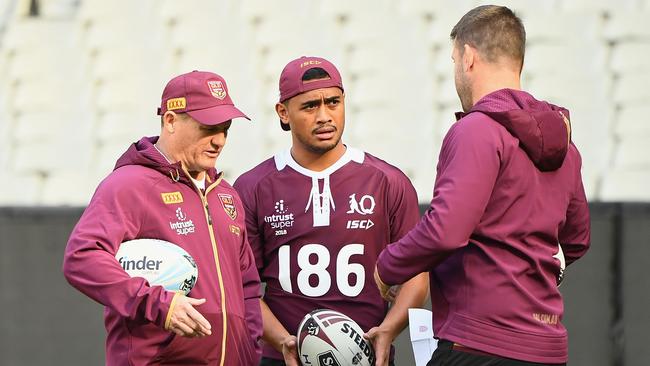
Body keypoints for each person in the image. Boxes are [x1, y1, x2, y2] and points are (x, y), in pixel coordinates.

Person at [374, 5, 591, 366]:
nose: (456, 70)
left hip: (478, 345)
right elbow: (576, 241)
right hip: (547, 349)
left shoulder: (476, 130)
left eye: (454, 59)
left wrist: (388, 266)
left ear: (469, 57)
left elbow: (446, 230)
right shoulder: (567, 146)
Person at [233, 56, 429, 366]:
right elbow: (242, 287)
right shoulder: (253, 187)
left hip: (368, 357)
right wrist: (283, 340)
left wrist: (389, 330)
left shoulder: (387, 181)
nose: (324, 116)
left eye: (333, 102)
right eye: (310, 106)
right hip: (284, 358)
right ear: (283, 113)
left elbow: (417, 275)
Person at [63, 71, 263, 365]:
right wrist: (159, 304)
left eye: (225, 128)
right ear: (170, 120)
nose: (219, 140)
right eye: (208, 127)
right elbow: (82, 256)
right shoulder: (129, 184)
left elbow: (247, 287)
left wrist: (250, 352)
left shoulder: (227, 195)